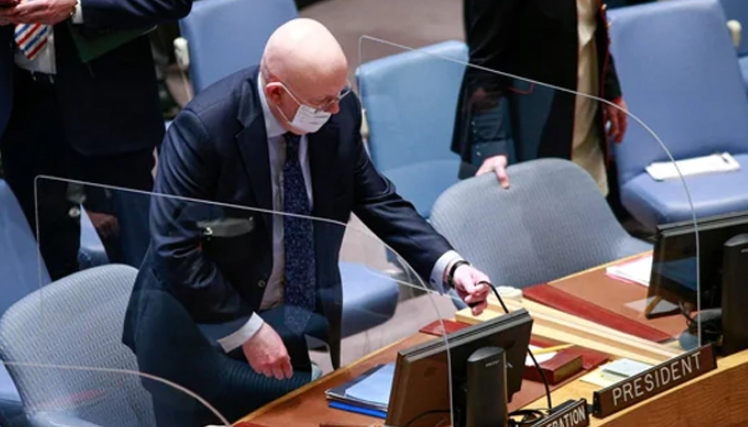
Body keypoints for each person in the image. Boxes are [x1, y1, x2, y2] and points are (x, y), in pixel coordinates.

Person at [122, 18, 492, 426]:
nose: (335, 109)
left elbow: (376, 198)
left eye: (339, 94)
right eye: (322, 102)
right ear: (275, 93)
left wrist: (449, 266)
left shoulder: (337, 110)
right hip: (198, 333)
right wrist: (246, 330)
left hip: (289, 322)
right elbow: (175, 249)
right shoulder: (204, 128)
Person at [0, 0, 192, 279]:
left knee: (141, 269)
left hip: (108, 106)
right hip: (20, 110)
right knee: (46, 273)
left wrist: (78, 5)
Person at [451, 0, 629, 209]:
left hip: (583, 121)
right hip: (528, 129)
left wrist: (610, 89)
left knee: (586, 211)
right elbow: (485, 66)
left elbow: (591, 25)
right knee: (537, 216)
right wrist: (492, 146)